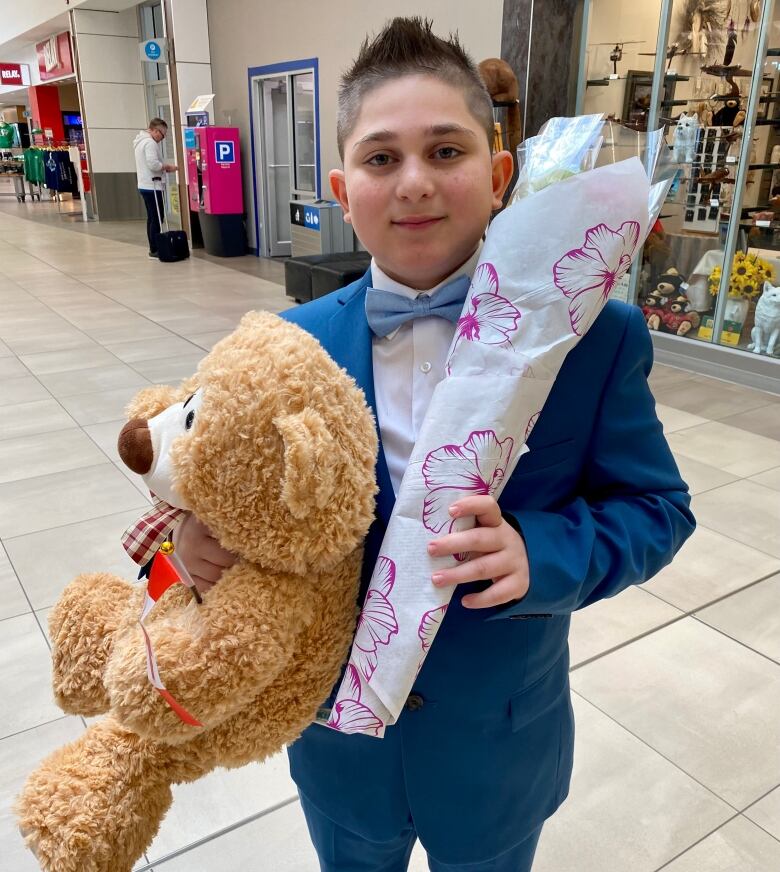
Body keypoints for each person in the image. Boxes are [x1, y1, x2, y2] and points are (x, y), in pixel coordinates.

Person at [122, 18, 695, 871]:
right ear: (342, 187)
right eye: (383, 159)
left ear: (499, 176)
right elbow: (210, 481)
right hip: (337, 746)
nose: (415, 183)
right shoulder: (287, 344)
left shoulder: (589, 338)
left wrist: (542, 552)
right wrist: (200, 541)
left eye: (447, 152)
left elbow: (658, 509)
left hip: (498, 749)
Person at [133, 118, 177, 258]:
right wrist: (166, 167)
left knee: (152, 217)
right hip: (152, 185)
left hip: (144, 185)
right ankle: (155, 248)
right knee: (157, 217)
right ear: (155, 130)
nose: (162, 138)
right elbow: (153, 164)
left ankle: (153, 247)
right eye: (162, 134)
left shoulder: (140, 142)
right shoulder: (150, 143)